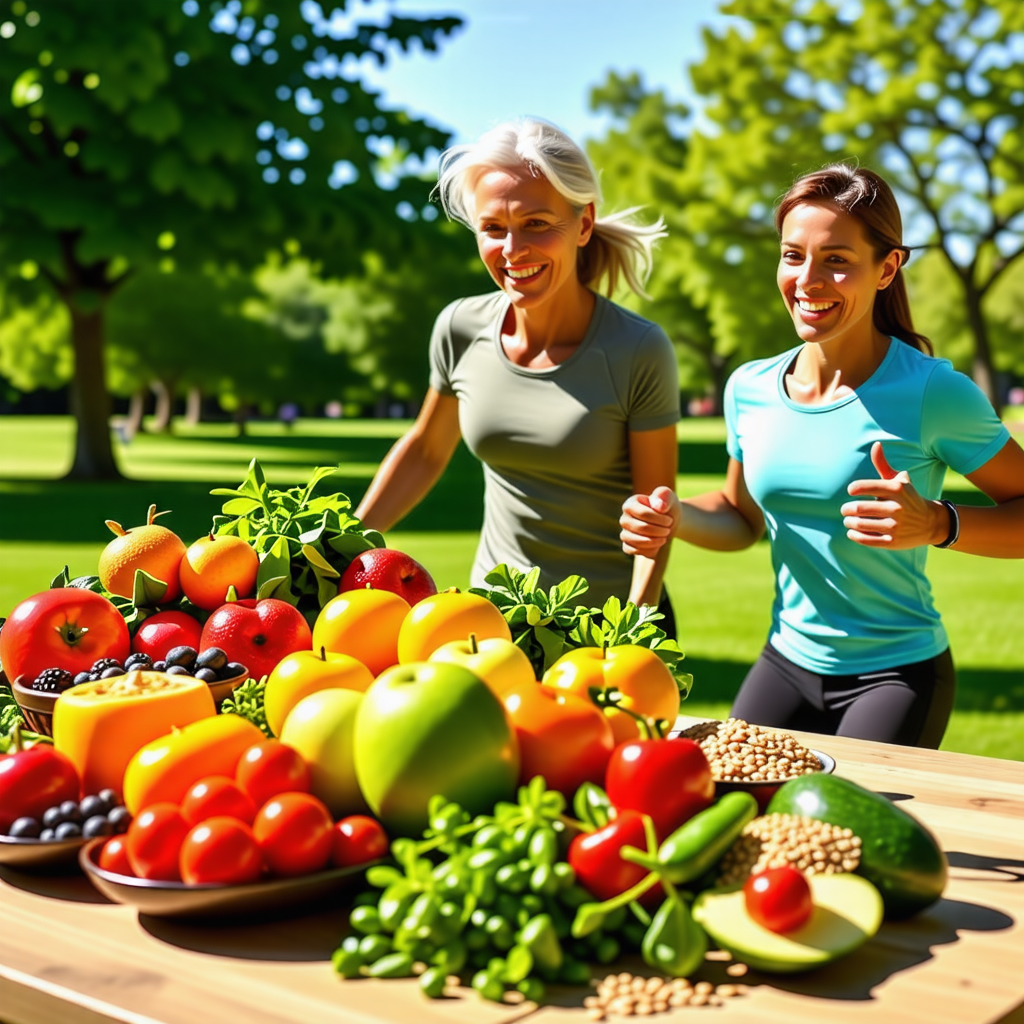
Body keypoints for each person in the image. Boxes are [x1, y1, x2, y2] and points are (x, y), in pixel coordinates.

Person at [619, 163, 1024, 747]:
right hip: (784, 661)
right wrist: (675, 515)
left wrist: (938, 523)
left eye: (837, 260)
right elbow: (739, 518)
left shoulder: (934, 393)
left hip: (896, 675)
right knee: (731, 818)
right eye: (793, 255)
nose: (808, 280)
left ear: (887, 268)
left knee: (848, 832)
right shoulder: (749, 388)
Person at [355, 118, 681, 623]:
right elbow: (424, 449)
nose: (512, 251)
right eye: (493, 228)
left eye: (536, 224)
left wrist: (633, 625)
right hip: (494, 623)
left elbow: (653, 514)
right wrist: (341, 550)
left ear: (584, 223)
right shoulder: (460, 327)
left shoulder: (637, 348)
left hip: (608, 625)